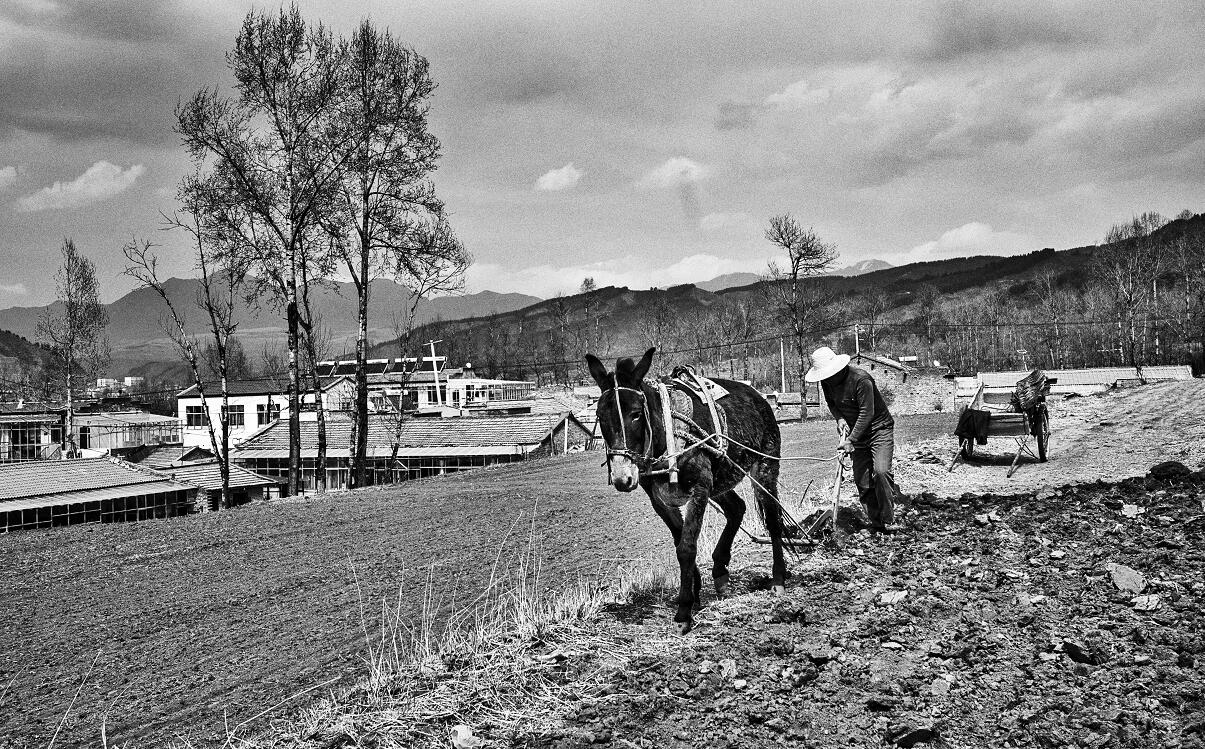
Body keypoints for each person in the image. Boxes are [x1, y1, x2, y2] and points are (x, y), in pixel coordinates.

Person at [804, 346, 903, 533]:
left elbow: (867, 413)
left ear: (838, 368)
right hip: (857, 435)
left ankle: (888, 520)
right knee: (863, 481)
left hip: (879, 429)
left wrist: (850, 440)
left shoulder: (861, 380)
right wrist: (840, 419)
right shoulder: (827, 382)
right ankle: (877, 524)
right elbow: (831, 403)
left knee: (880, 472)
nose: (826, 379)